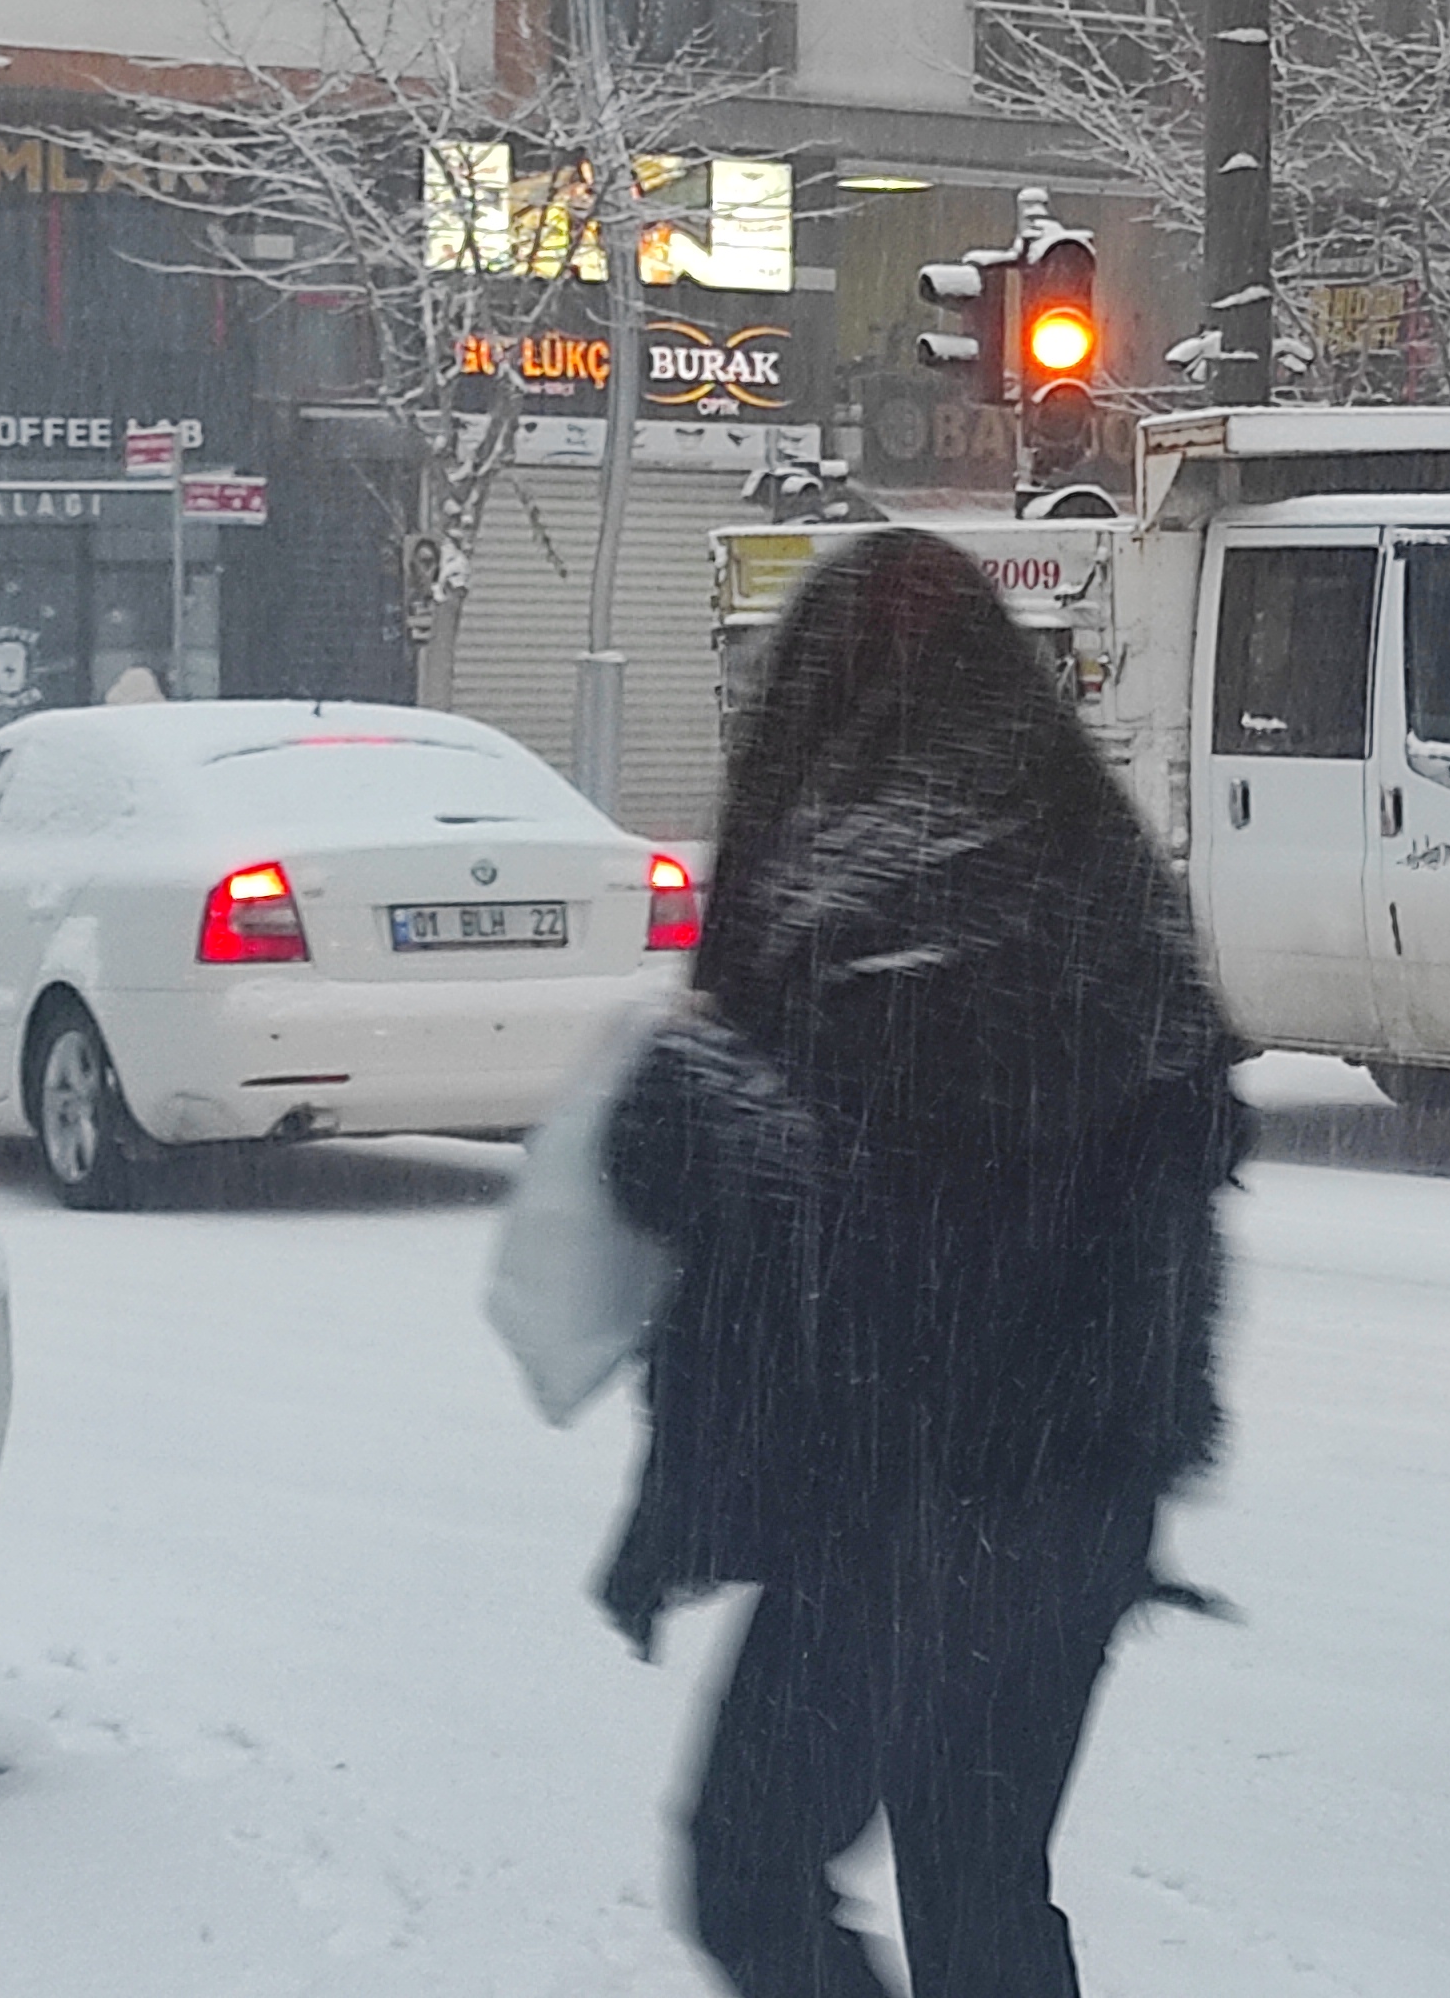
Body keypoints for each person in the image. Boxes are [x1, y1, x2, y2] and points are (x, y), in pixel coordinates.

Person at [600, 527, 1247, 1998]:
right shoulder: (1095, 872)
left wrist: (676, 1513)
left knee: (750, 1870)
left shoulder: (837, 905)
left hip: (897, 1522)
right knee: (982, 1888)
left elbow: (772, 1271)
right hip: (1070, 1512)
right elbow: (1171, 1221)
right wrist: (1113, 1489)